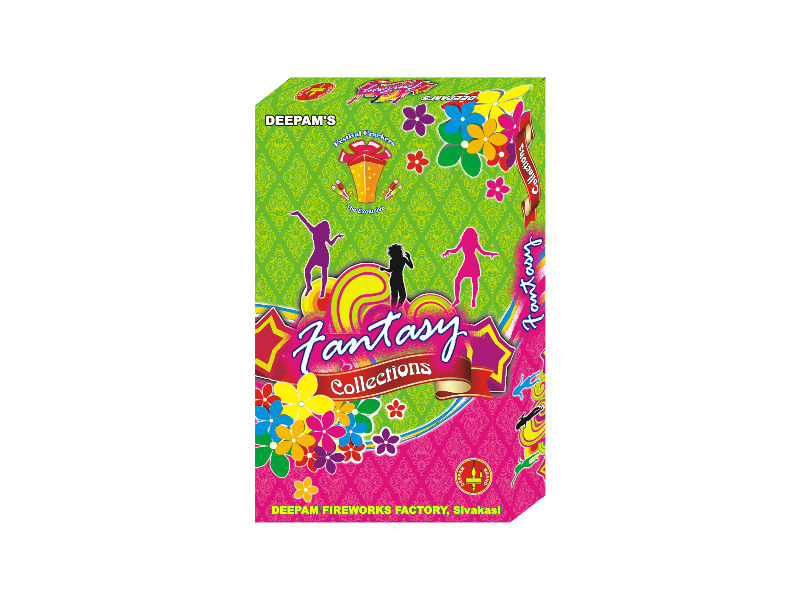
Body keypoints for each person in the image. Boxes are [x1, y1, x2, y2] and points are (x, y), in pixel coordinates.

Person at [289, 210, 344, 298]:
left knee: (320, 273)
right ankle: (310, 287)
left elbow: (305, 222)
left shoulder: (315, 231)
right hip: (319, 253)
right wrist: (337, 236)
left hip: (322, 254)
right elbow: (331, 243)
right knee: (310, 270)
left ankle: (322, 291)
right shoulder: (318, 232)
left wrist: (298, 214)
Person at [441, 227, 499, 308]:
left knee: (473, 282)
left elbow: (482, 252)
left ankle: (473, 300)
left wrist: (491, 253)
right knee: (459, 280)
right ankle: (458, 299)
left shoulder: (473, 243)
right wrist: (448, 251)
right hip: (467, 263)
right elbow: (455, 250)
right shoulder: (463, 242)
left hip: (473, 263)